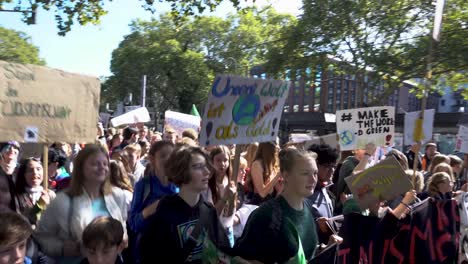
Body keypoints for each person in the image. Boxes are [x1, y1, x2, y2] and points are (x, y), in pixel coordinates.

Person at [235, 148, 334, 263]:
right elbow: (241, 259)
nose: (313, 179)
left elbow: (306, 254)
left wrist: (326, 248)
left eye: (315, 173)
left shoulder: (307, 207)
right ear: (286, 175)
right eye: (305, 173)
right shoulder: (267, 215)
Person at [34, 144, 128, 263]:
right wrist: (61, 248)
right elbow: (41, 237)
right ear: (81, 168)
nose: (101, 167)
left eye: (105, 164)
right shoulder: (62, 201)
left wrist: (123, 238)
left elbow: (123, 224)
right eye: (95, 164)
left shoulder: (117, 195)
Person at [140, 146, 231, 263]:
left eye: (205, 166)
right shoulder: (165, 211)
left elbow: (224, 250)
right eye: (198, 166)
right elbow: (150, 255)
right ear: (181, 170)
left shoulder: (208, 211)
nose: (207, 172)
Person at [207, 146, 237, 246]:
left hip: (228, 230)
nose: (222, 164)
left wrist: (232, 198)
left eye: (225, 160)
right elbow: (211, 216)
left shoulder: (229, 181)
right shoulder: (207, 184)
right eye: (218, 160)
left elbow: (229, 213)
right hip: (213, 232)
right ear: (211, 161)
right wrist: (224, 197)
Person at [15, 158, 56, 226]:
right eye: (30, 170)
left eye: (38, 169)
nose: (35, 173)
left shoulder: (50, 195)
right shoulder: (17, 195)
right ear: (24, 174)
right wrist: (39, 206)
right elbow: (23, 221)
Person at [307, 144, 339, 221]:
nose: (332, 170)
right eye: (327, 166)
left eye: (334, 166)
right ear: (314, 165)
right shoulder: (304, 192)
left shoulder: (326, 191)